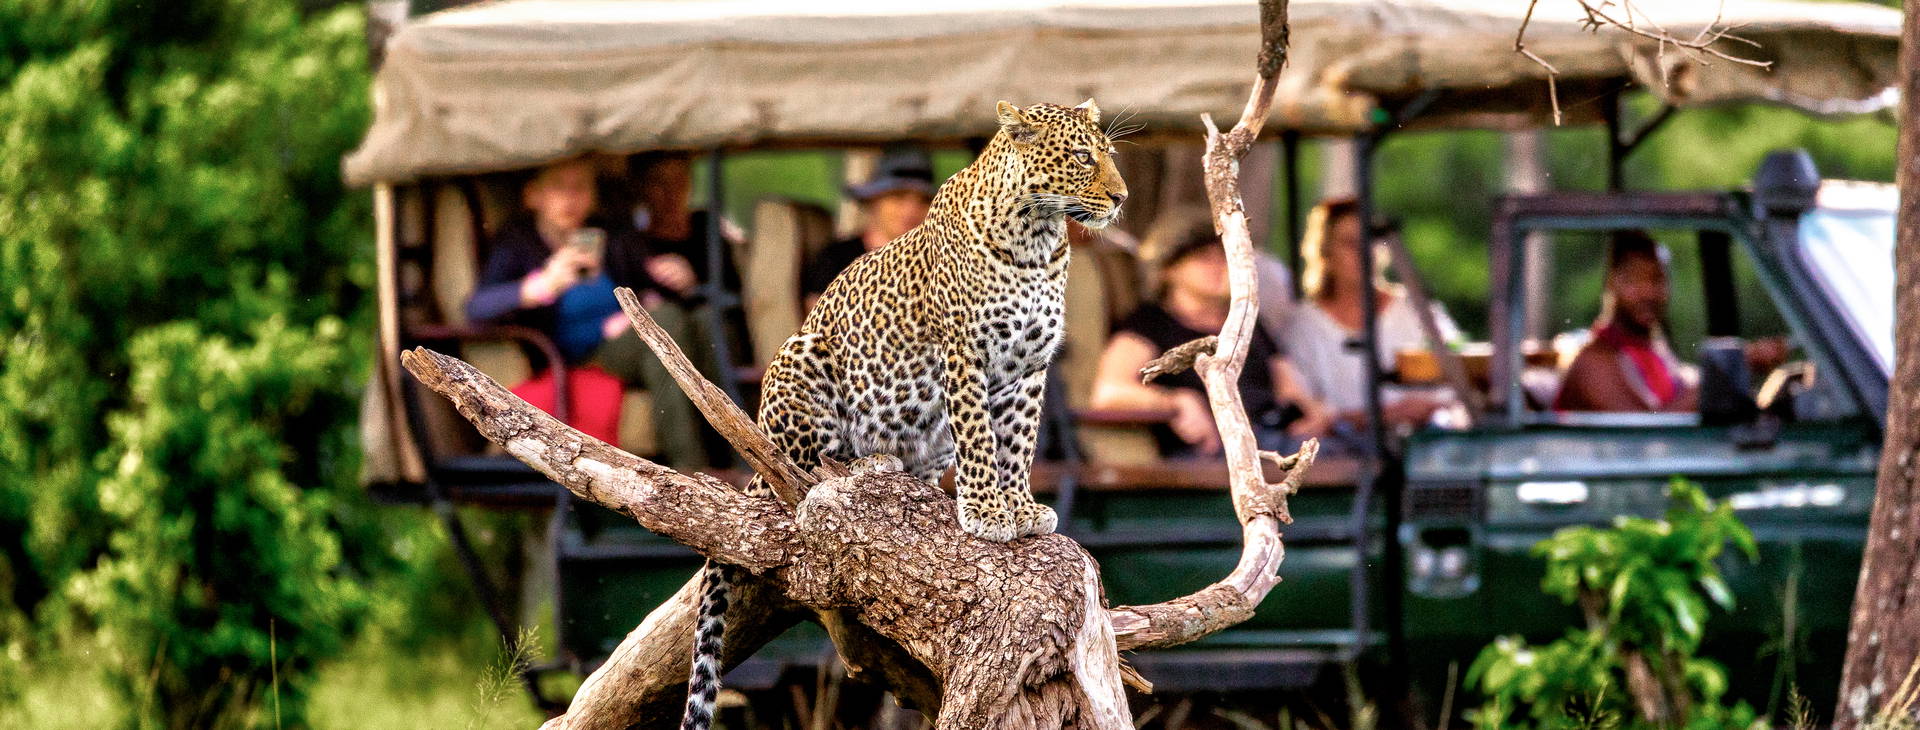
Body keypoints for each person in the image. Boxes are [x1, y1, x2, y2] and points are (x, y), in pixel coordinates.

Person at [465, 155, 718, 468]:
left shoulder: (608, 236)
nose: (571, 199)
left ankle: (744, 465)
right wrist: (542, 285)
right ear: (534, 196)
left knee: (706, 323)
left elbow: (648, 286)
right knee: (664, 322)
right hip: (575, 357)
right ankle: (692, 469)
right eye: (559, 187)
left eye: (580, 188)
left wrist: (679, 280)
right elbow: (476, 307)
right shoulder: (519, 243)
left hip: (629, 340)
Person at [1091, 208, 1332, 457]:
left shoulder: (1245, 320)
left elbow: (1288, 385)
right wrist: (1175, 402)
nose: (1218, 267)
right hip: (1201, 456)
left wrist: (1310, 412)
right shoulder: (1150, 323)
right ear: (1168, 268)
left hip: (1272, 441)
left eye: (1224, 256)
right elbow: (1109, 391)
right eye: (1203, 258)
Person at [1283, 197, 1458, 437]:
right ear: (1326, 252)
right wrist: (1379, 416)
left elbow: (1457, 379)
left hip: (1422, 443)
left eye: (1370, 241)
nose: (1364, 252)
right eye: (1350, 244)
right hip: (1342, 455)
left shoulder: (1416, 309)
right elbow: (1302, 408)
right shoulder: (1303, 324)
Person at [1554, 232, 1699, 412]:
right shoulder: (1593, 361)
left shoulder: (1655, 350)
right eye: (1634, 279)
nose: (1648, 292)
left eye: (1657, 279)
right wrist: (1707, 390)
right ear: (1611, 283)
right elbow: (1643, 434)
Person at [801, 147, 935, 311]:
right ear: (874, 200)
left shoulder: (938, 263)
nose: (911, 209)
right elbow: (818, 326)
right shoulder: (835, 259)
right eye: (898, 196)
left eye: (924, 200)